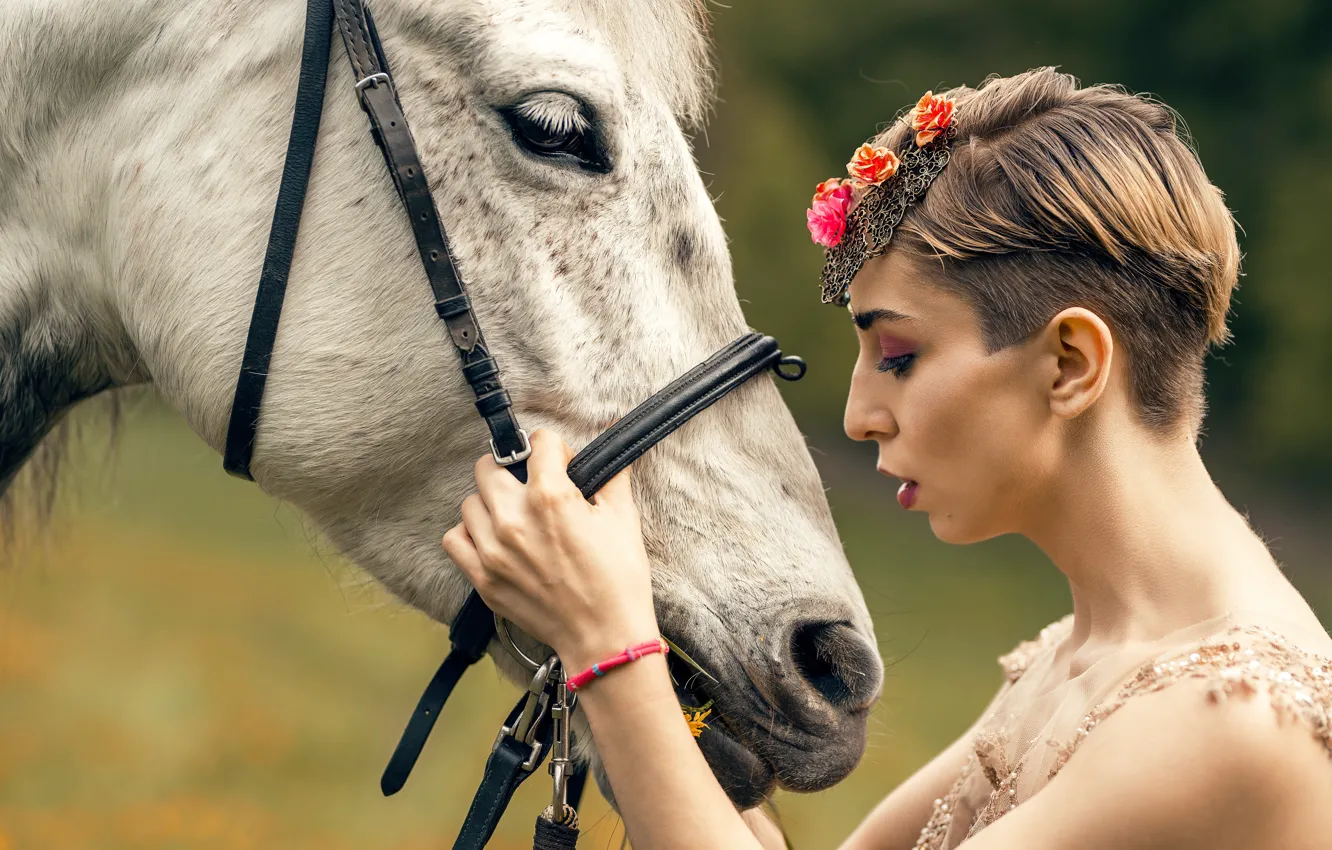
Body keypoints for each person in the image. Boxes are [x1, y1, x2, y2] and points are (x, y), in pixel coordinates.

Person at [440, 68, 1332, 849]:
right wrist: (667, 685)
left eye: (899, 357)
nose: (860, 415)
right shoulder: (1088, 651)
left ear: (1071, 365)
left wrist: (609, 647)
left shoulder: (1224, 722)